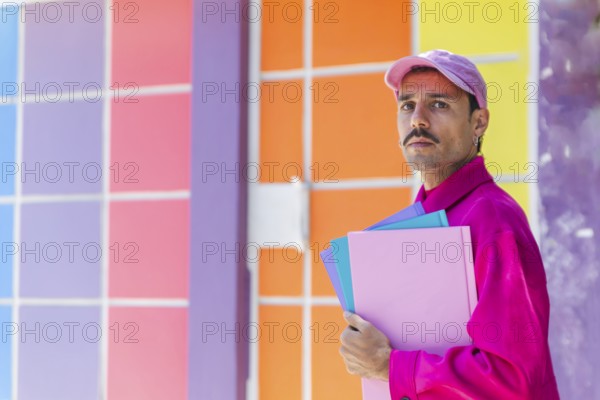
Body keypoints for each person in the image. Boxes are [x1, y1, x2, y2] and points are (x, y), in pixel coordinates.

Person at [338, 49, 560, 399]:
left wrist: (388, 365)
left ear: (478, 122)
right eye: (407, 105)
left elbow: (512, 377)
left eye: (439, 104)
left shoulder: (493, 220)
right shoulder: (421, 218)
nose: (418, 120)